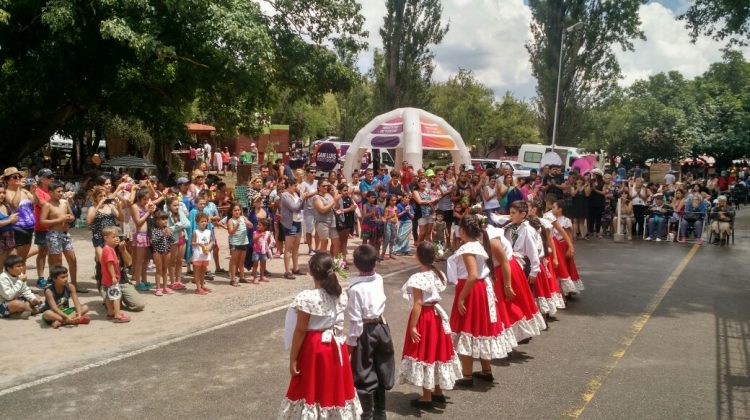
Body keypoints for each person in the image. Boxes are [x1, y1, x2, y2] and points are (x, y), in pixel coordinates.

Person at [279, 252, 360, 419]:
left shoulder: (307, 297)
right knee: (332, 386)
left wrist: (293, 358)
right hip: (336, 346)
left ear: (311, 271)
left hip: (315, 347)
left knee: (311, 387)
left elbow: (300, 330)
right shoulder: (340, 294)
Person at [447, 214, 511, 388]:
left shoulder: (468, 248)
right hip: (482, 289)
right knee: (481, 328)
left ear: (462, 230)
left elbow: (472, 275)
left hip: (471, 290)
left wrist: (461, 298)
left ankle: (467, 375)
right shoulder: (479, 244)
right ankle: (486, 370)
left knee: (467, 328)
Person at [399, 242, 462, 410]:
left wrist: (413, 326)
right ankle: (437, 391)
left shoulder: (418, 277)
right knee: (436, 351)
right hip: (436, 317)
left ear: (418, 256)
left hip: (425, 317)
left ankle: (426, 397)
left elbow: (418, 303)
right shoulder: (438, 273)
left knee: (425, 352)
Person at [346, 244, 395, 419]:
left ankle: (367, 414)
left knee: (363, 370)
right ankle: (380, 412)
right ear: (375, 263)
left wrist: (350, 343)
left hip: (364, 331)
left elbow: (355, 320)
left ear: (355, 264)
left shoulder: (354, 289)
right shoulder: (379, 279)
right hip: (381, 327)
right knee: (382, 365)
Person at [486, 219, 545, 343]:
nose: (511, 216)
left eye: (514, 213)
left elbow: (532, 250)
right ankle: (518, 333)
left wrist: (535, 269)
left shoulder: (492, 237)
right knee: (511, 303)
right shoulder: (505, 228)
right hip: (506, 267)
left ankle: (520, 332)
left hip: (506, 269)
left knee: (511, 302)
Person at [40, 181, 82, 293]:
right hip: (53, 234)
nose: (61, 193)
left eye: (62, 191)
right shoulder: (47, 204)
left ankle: (74, 285)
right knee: (57, 262)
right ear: (50, 192)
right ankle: (58, 287)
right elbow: (42, 221)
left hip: (65, 233)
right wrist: (59, 220)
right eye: (58, 191)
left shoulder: (64, 202)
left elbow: (72, 216)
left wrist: (70, 218)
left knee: (73, 259)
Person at [4, 168, 38, 282]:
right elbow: (14, 204)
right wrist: (19, 188)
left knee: (23, 260)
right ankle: (13, 285)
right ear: (8, 180)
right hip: (17, 228)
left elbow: (36, 203)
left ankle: (23, 287)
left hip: (29, 228)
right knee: (16, 261)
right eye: (15, 177)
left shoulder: (25, 192)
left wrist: (34, 191)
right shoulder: (7, 192)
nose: (18, 179)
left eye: (19, 177)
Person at [86, 186, 122, 288]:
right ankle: (102, 283)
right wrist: (98, 206)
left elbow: (121, 218)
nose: (103, 198)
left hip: (112, 238)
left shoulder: (111, 206)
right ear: (95, 197)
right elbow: (88, 221)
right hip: (99, 238)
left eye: (104, 196)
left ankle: (113, 284)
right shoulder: (92, 208)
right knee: (103, 262)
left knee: (114, 261)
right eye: (100, 196)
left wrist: (118, 207)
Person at [547, 199, 583, 296]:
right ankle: (561, 288)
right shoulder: (551, 218)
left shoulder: (566, 220)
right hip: (555, 246)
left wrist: (570, 247)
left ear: (560, 209)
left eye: (554, 207)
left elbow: (569, 235)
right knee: (558, 268)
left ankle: (568, 289)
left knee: (565, 267)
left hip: (563, 245)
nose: (552, 209)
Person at [100, 228, 130, 323]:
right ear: (105, 238)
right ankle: (117, 315)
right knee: (116, 297)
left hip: (106, 279)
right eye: (113, 237)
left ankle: (110, 312)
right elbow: (110, 264)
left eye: (116, 237)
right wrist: (113, 276)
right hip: (111, 279)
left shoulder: (107, 249)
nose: (116, 239)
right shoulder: (109, 250)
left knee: (109, 297)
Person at [0, 255, 43, 319]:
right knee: (17, 304)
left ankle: (19, 313)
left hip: (18, 299)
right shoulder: (3, 278)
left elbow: (25, 290)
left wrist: (33, 299)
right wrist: (20, 281)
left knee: (36, 296)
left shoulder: (20, 275)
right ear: (9, 268)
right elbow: (9, 296)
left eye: (22, 265)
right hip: (4, 304)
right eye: (18, 266)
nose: (21, 268)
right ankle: (34, 311)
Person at [33, 168, 55, 289]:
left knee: (53, 252)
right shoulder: (37, 191)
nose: (51, 178)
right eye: (48, 176)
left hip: (53, 225)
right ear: (41, 178)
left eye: (52, 176)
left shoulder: (52, 190)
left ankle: (52, 276)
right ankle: (41, 277)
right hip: (42, 226)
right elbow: (44, 204)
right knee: (42, 252)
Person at [130, 189, 155, 291]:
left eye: (147, 199)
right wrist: (148, 212)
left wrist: (150, 210)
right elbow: (138, 222)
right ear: (139, 198)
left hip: (148, 235)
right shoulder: (134, 206)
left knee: (146, 260)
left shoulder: (145, 206)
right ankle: (138, 282)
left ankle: (144, 280)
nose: (146, 201)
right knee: (139, 260)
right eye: (144, 199)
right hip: (140, 235)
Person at [280, 181, 304, 279]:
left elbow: (301, 206)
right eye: (294, 185)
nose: (296, 187)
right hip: (290, 223)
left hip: (298, 221)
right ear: (289, 185)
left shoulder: (295, 194)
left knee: (296, 247)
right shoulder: (285, 195)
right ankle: (287, 271)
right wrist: (302, 198)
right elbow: (294, 208)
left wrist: (302, 197)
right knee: (288, 248)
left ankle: (295, 268)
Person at [166, 196, 190, 290]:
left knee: (180, 261)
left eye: (178, 205)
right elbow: (167, 229)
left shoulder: (180, 213)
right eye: (174, 205)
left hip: (182, 238)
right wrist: (180, 226)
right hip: (174, 240)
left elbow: (188, 223)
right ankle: (172, 281)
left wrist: (176, 226)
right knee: (173, 261)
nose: (177, 207)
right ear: (169, 206)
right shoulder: (167, 215)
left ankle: (178, 280)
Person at [227, 203, 253, 286]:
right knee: (234, 261)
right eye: (235, 210)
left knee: (242, 261)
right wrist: (237, 225)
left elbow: (251, 226)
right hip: (235, 243)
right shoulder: (231, 220)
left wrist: (248, 223)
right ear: (232, 212)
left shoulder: (243, 217)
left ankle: (242, 277)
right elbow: (230, 232)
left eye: (238, 210)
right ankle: (232, 279)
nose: (237, 212)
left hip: (244, 242)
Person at [150, 211, 174, 296]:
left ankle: (165, 287)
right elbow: (154, 241)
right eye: (162, 219)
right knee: (159, 269)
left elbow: (172, 240)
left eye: (166, 219)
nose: (165, 221)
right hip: (158, 252)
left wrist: (170, 234)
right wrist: (162, 234)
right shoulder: (154, 230)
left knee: (165, 269)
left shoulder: (167, 228)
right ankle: (158, 288)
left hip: (167, 251)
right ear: (157, 221)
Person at [191, 213, 213, 294]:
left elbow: (211, 241)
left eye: (205, 221)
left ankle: (202, 285)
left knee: (203, 271)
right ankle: (198, 287)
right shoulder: (196, 232)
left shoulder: (208, 231)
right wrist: (199, 244)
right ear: (197, 222)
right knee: (197, 271)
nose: (204, 223)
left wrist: (208, 247)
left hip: (205, 254)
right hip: (197, 255)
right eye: (202, 221)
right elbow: (192, 243)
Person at [336, 184, 357, 266]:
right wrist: (349, 209)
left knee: (345, 241)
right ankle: (339, 261)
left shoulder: (349, 198)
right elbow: (337, 211)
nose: (346, 192)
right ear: (340, 191)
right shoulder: (338, 199)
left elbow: (353, 206)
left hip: (349, 220)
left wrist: (353, 207)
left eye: (347, 190)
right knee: (340, 242)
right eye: (344, 190)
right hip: (341, 221)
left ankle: (344, 259)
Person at [299, 168, 318, 255]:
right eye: (311, 172)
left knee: (318, 229)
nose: (313, 174)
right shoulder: (303, 184)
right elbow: (302, 197)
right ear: (307, 173)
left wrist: (309, 194)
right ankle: (310, 248)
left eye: (314, 172)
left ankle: (317, 248)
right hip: (308, 209)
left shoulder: (317, 182)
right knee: (309, 230)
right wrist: (315, 193)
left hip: (318, 209)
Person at [0, 182, 18, 271]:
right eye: (0, 193)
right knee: (1, 265)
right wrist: (10, 220)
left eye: (3, 193)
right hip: (1, 237)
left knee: (13, 262)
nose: (2, 195)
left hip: (10, 235)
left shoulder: (6, 205)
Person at [251, 219, 273, 284]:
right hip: (256, 252)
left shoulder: (267, 233)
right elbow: (254, 238)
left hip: (263, 252)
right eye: (257, 224)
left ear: (265, 227)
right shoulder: (256, 232)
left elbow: (269, 242)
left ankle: (262, 276)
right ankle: (254, 278)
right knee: (255, 265)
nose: (257, 226)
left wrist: (269, 238)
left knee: (263, 265)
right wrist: (260, 235)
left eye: (259, 225)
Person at [361, 192, 383, 257]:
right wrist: (372, 212)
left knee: (372, 240)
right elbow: (364, 215)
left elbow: (376, 216)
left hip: (373, 225)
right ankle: (363, 253)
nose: (373, 199)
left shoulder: (375, 206)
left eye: (374, 198)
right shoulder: (365, 205)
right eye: (372, 197)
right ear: (367, 198)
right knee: (365, 240)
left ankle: (370, 254)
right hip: (366, 225)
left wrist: (377, 218)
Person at [381, 195, 399, 260]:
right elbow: (385, 218)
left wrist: (396, 221)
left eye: (395, 200)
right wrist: (391, 216)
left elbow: (397, 216)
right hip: (388, 224)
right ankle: (383, 253)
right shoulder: (387, 208)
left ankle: (391, 253)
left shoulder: (396, 208)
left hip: (394, 225)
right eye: (392, 200)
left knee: (392, 239)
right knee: (387, 238)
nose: (394, 202)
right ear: (389, 201)